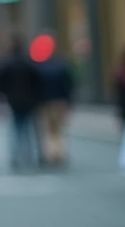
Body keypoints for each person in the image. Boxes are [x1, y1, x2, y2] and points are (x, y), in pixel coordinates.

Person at [0, 35, 42, 171]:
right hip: (28, 101)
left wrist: (2, 98)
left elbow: (0, 83)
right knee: (27, 129)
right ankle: (28, 156)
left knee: (15, 128)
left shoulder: (7, 64)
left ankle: (15, 156)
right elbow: (37, 83)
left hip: (13, 101)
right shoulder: (29, 64)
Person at [36, 38, 74, 167]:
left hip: (46, 102)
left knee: (48, 129)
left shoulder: (41, 68)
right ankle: (59, 152)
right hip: (59, 102)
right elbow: (68, 85)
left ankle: (51, 153)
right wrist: (68, 101)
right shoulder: (62, 66)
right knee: (59, 128)